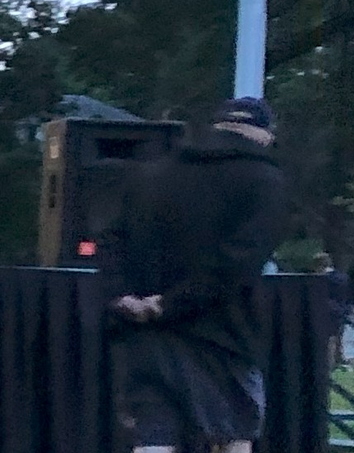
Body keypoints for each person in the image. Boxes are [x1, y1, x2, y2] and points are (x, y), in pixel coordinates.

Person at [105, 97, 290, 453]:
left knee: (152, 436)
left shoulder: (149, 173)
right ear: (263, 134)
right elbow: (237, 264)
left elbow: (111, 241)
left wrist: (124, 296)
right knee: (231, 435)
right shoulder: (264, 180)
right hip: (222, 334)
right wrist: (169, 304)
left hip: (146, 334)